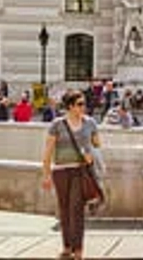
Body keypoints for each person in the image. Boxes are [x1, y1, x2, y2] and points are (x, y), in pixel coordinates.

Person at [41, 89, 101, 260]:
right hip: (60, 171)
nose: (83, 107)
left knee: (77, 209)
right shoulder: (57, 124)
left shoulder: (90, 122)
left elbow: (97, 144)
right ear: (70, 106)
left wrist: (91, 149)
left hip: (80, 171)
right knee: (64, 209)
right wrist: (45, 175)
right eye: (80, 104)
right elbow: (48, 151)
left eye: (84, 104)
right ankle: (67, 246)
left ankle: (78, 248)